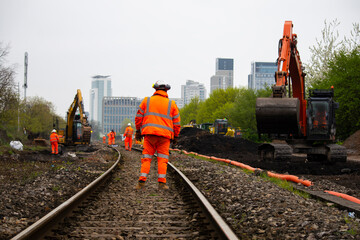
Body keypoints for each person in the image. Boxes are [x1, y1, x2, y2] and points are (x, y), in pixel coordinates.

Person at [134, 80, 181, 190]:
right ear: (166, 90)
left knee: (146, 158)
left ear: (155, 89)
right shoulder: (172, 104)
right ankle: (162, 183)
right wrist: (176, 136)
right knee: (162, 159)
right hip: (164, 137)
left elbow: (138, 117)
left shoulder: (147, 101)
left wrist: (138, 130)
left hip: (149, 135)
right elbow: (177, 123)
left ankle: (141, 182)